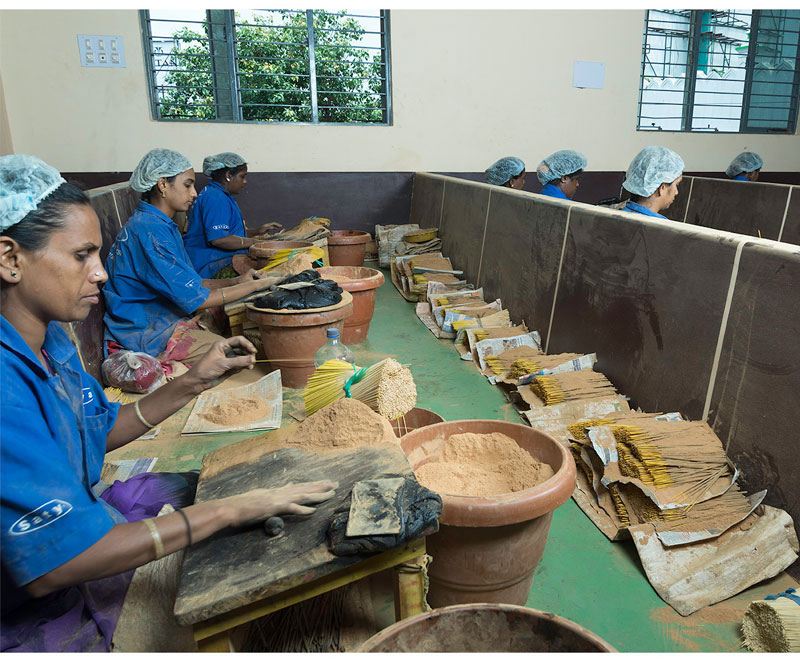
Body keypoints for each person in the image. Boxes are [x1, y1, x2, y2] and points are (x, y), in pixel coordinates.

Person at [0, 154, 337, 652]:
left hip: (82, 507)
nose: (101, 274)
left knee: (228, 480)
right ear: (10, 259)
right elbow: (56, 565)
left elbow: (97, 429)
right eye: (81, 256)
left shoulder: (49, 342)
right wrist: (225, 512)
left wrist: (192, 382)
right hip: (32, 588)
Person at [103, 149, 282, 368]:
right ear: (162, 185)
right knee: (233, 357)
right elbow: (199, 298)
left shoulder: (161, 226)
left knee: (232, 341)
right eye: (187, 185)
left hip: (159, 320)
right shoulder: (149, 232)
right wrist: (259, 285)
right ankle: (161, 365)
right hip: (145, 332)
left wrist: (238, 281)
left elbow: (192, 284)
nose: (194, 193)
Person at [184, 152, 282, 279]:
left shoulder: (221, 195)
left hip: (216, 261)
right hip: (209, 267)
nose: (245, 181)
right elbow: (219, 239)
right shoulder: (215, 198)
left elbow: (229, 233)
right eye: (242, 176)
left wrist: (257, 231)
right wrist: (256, 242)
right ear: (228, 175)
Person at [621, 146, 685, 219]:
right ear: (662, 188)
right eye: (676, 184)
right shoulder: (664, 228)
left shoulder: (615, 215)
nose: (676, 192)